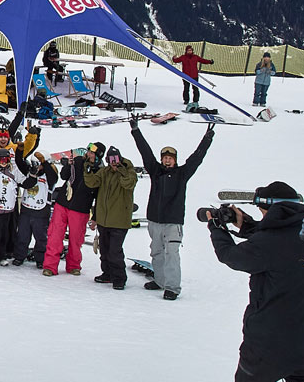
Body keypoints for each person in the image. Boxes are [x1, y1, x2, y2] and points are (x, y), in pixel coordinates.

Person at [208, 183, 304, 382]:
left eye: (263, 211)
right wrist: (246, 225)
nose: (262, 216)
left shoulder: (268, 243)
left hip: (270, 336)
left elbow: (233, 256)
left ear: (273, 209)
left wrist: (218, 229)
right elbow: (281, 244)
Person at [130, 116, 214, 299]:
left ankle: (172, 288)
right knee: (157, 252)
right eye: (165, 158)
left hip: (173, 222)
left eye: (170, 158)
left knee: (172, 254)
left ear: (175, 160)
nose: (167, 161)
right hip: (154, 220)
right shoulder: (155, 171)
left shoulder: (182, 174)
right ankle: (160, 281)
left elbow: (197, 158)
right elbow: (145, 152)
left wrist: (207, 138)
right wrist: (136, 131)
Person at [42, 143, 103, 277]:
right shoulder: (79, 161)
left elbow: (100, 196)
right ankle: (50, 266)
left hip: (81, 209)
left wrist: (95, 217)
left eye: (92, 153)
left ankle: (74, 265)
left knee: (76, 239)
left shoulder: (100, 172)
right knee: (55, 236)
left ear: (98, 157)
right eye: (88, 151)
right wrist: (69, 165)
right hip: (63, 203)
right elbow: (64, 176)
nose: (89, 154)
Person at [83, 145, 138, 290]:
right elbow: (92, 182)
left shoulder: (128, 171)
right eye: (110, 159)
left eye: (116, 159)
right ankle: (107, 273)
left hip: (119, 220)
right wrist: (88, 167)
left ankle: (119, 278)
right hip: (104, 219)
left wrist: (121, 169)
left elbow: (128, 183)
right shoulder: (104, 172)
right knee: (105, 250)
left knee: (115, 251)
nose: (113, 162)